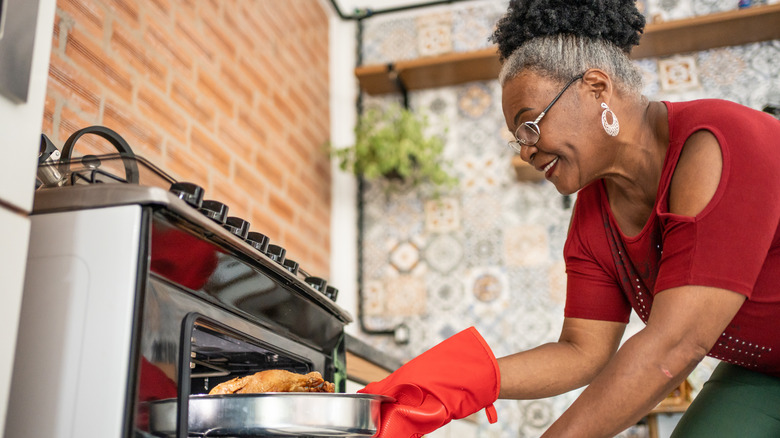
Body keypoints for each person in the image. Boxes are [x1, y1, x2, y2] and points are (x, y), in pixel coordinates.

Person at [358, 0, 780, 437]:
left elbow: (674, 346)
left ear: (596, 88)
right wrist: (457, 381)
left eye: (529, 126)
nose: (525, 149)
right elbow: (581, 350)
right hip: (764, 372)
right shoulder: (593, 217)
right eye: (516, 139)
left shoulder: (721, 144)